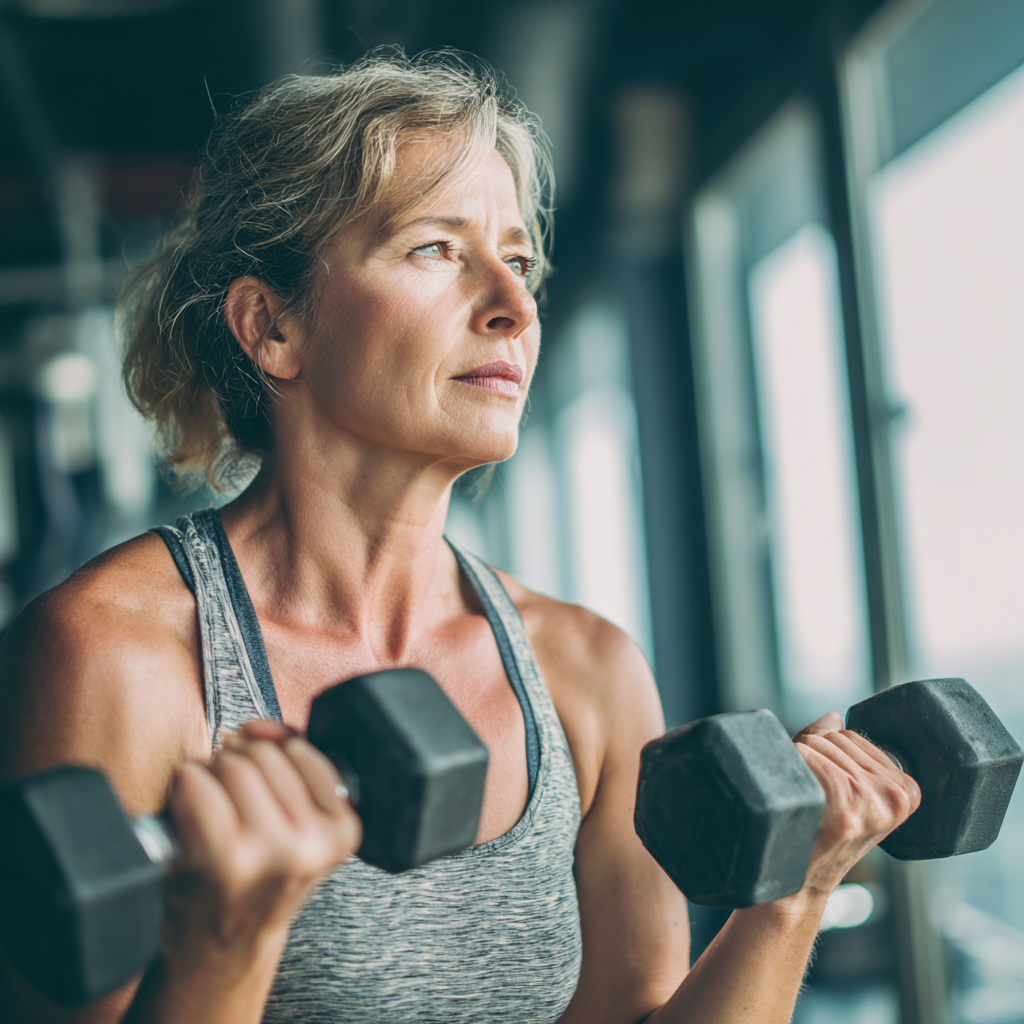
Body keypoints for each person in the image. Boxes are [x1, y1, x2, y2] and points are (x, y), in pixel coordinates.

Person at [0, 51, 919, 1024]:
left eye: (518, 261)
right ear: (271, 326)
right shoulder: (112, 654)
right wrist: (225, 942)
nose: (514, 308)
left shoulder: (586, 668)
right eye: (436, 248)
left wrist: (793, 895)